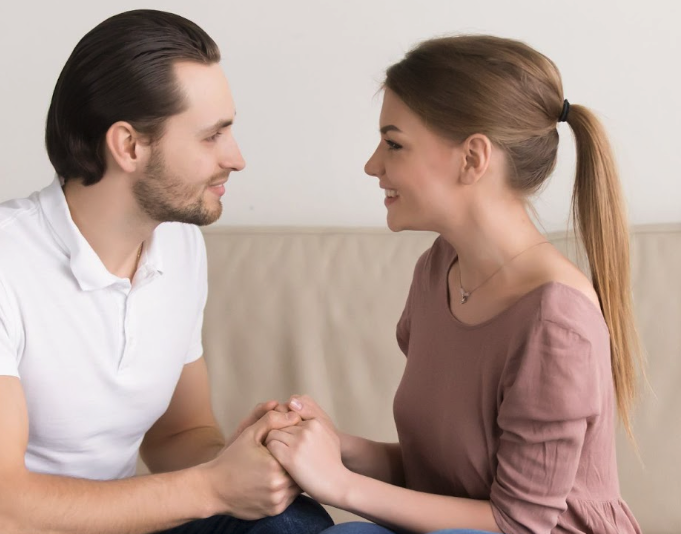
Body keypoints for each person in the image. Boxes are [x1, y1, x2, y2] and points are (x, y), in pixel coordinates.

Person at [0, 10, 333, 534]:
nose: (236, 158)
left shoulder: (180, 245)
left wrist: (250, 461)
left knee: (290, 520)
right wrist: (213, 487)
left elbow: (179, 434)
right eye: (212, 136)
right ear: (128, 146)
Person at [264, 35, 643, 534]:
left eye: (394, 143)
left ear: (473, 158)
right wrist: (333, 447)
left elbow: (517, 523)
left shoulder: (555, 322)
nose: (373, 165)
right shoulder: (438, 269)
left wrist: (340, 485)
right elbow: (445, 477)